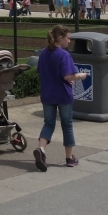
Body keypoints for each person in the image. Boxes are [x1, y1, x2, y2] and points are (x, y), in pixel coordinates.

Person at [33, 25, 87, 170]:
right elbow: (68, 75)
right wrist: (81, 76)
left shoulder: (44, 53)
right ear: (60, 38)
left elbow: (42, 72)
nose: (69, 41)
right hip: (63, 94)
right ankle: (69, 157)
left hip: (47, 93)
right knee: (67, 125)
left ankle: (41, 149)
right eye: (68, 38)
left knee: (48, 123)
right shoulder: (64, 55)